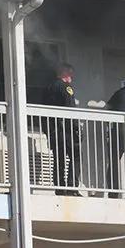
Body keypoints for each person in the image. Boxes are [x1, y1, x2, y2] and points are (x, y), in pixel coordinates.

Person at [43, 63, 81, 196]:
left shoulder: (49, 87)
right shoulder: (66, 87)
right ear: (64, 73)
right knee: (76, 156)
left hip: (53, 129)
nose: (72, 77)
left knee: (59, 159)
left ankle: (59, 187)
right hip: (66, 130)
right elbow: (69, 108)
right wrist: (76, 128)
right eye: (71, 73)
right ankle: (72, 187)